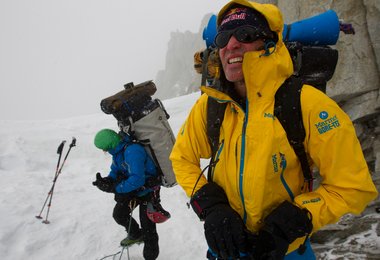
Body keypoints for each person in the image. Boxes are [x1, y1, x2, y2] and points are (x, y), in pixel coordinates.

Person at [169, 1, 378, 259]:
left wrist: (300, 215)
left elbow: (353, 186)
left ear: (269, 42)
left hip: (288, 253)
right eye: (223, 37)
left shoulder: (308, 105)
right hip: (225, 251)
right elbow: (182, 158)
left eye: (244, 34)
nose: (231, 45)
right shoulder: (211, 105)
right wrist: (211, 207)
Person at [93, 128, 164, 260]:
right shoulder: (118, 152)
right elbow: (115, 170)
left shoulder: (133, 150)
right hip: (133, 190)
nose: (104, 151)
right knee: (119, 214)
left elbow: (137, 179)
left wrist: (116, 188)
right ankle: (136, 235)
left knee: (148, 229)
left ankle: (150, 257)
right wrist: (108, 180)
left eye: (104, 148)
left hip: (147, 191)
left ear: (111, 144)